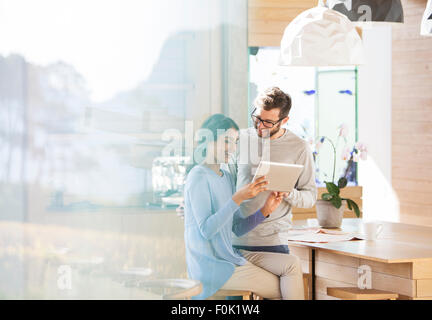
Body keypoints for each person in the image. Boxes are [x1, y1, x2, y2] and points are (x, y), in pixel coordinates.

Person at [184, 114, 304, 300]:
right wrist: (238, 198)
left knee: (292, 265)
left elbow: (237, 228)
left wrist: (265, 210)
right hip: (212, 267)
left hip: (230, 256)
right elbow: (207, 230)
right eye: (227, 141)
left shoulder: (225, 176)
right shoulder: (198, 176)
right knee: (285, 287)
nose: (232, 148)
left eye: (235, 142)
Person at [229, 87, 317, 254]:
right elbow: (225, 184)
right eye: (257, 118)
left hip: (273, 241)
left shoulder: (299, 147)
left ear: (284, 120)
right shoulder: (241, 139)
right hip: (236, 237)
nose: (260, 126)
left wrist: (288, 192)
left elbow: (310, 197)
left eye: (268, 122)